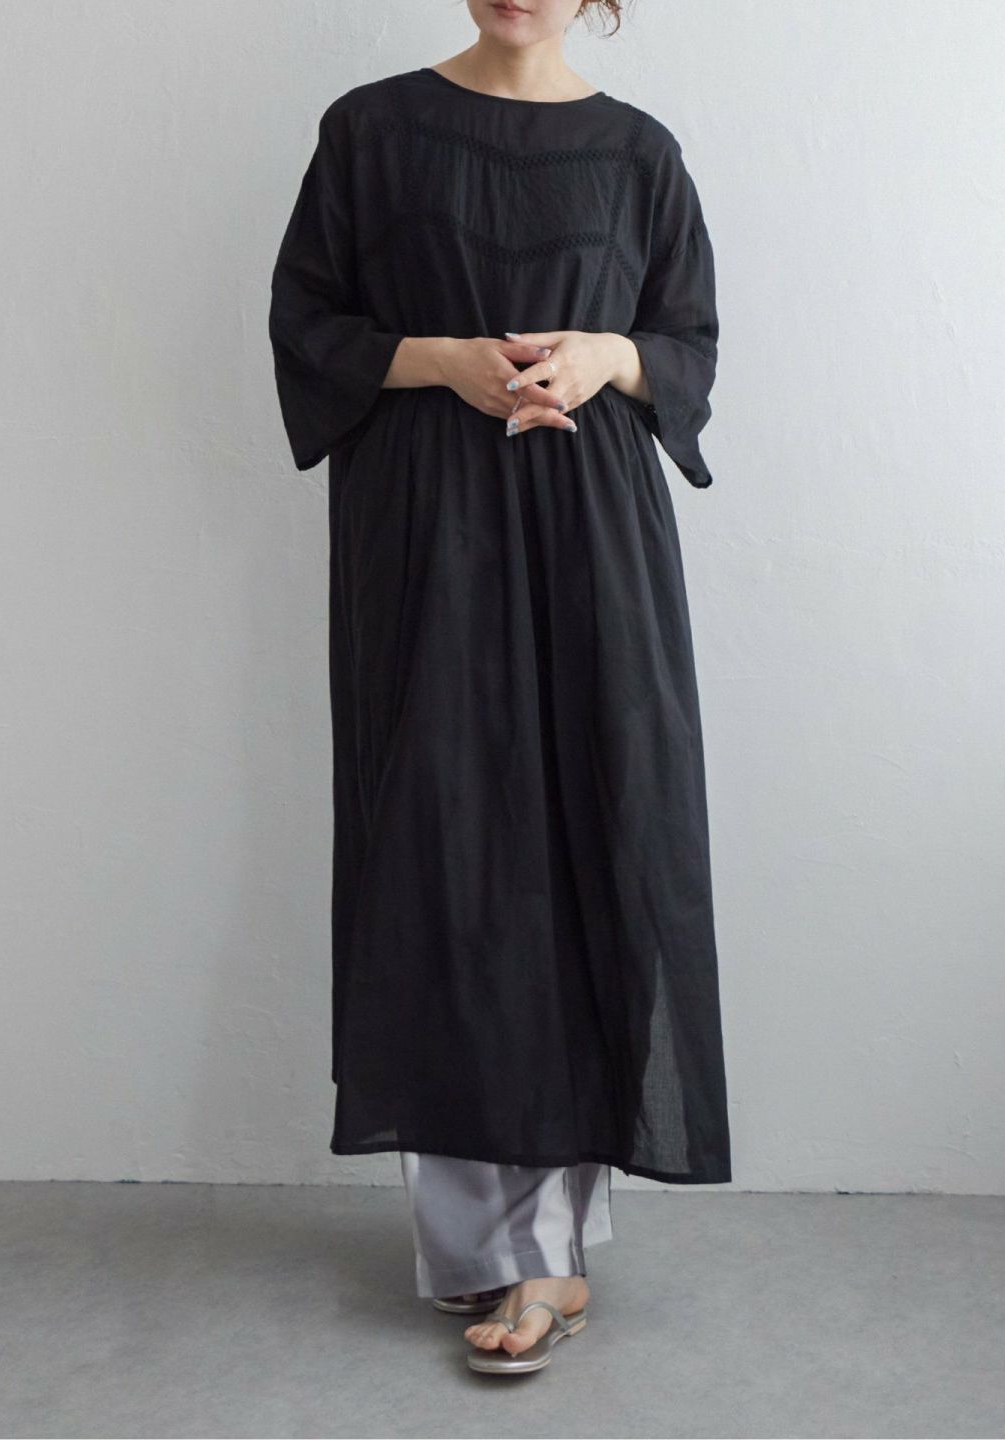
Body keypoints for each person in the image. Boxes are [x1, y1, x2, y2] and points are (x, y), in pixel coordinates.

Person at [268, 0, 732, 1375]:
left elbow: (688, 341)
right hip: (425, 525)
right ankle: (482, 1245)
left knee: (587, 835)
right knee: (447, 849)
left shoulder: (639, 153)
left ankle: (545, 1254)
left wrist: (606, 357)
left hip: (594, 530)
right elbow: (309, 323)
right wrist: (445, 362)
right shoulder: (372, 131)